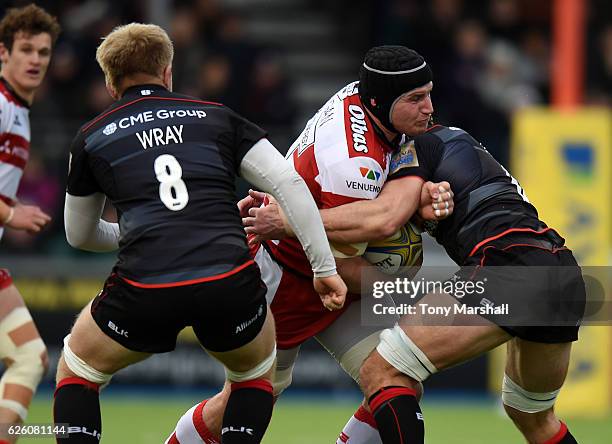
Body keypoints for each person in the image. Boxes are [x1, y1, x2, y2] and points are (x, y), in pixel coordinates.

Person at [52, 23, 347, 444]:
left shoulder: (91, 138)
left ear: (109, 81)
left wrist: (148, 232)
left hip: (145, 286)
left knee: (78, 370)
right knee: (254, 376)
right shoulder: (217, 117)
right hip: (228, 281)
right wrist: (323, 266)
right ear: (168, 70)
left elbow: (78, 235)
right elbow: (289, 185)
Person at [166, 46, 454, 444]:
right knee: (247, 399)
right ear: (381, 101)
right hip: (289, 281)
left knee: (394, 379)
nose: (429, 108)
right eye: (416, 99)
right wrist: (403, 277)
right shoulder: (354, 165)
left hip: (323, 272)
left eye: (429, 93)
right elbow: (347, 261)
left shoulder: (364, 96)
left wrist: (419, 197)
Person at [308, 129, 585, 442]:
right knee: (532, 416)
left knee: (384, 371)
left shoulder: (419, 146)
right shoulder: (463, 152)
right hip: (562, 271)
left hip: (509, 268)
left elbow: (383, 218)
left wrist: (293, 221)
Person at [0, 5, 59, 442]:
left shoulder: (17, 111)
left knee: (29, 355)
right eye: (25, 49)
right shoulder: (2, 105)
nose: (35, 59)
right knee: (28, 355)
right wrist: (9, 212)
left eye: (43, 51)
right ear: (3, 53)